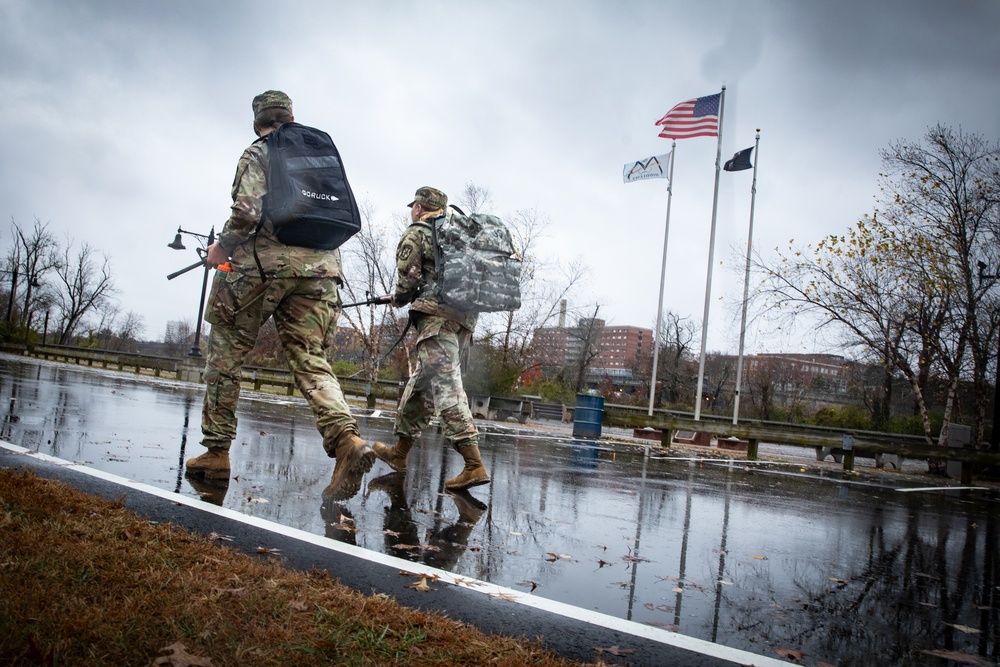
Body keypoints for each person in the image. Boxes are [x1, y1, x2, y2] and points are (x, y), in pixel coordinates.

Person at [184, 90, 375, 500]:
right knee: (311, 357)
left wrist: (222, 248)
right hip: (322, 271)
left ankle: (216, 453)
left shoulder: (260, 151)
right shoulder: (317, 153)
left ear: (258, 122)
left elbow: (247, 212)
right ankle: (346, 441)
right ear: (290, 116)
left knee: (226, 354)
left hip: (262, 266)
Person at [372, 187, 489, 490]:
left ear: (420, 207)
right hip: (462, 321)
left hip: (437, 321)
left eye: (414, 206)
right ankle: (399, 454)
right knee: (421, 387)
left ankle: (474, 465)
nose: (412, 211)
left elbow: (407, 280)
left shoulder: (419, 232)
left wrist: (397, 298)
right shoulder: (458, 236)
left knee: (446, 386)